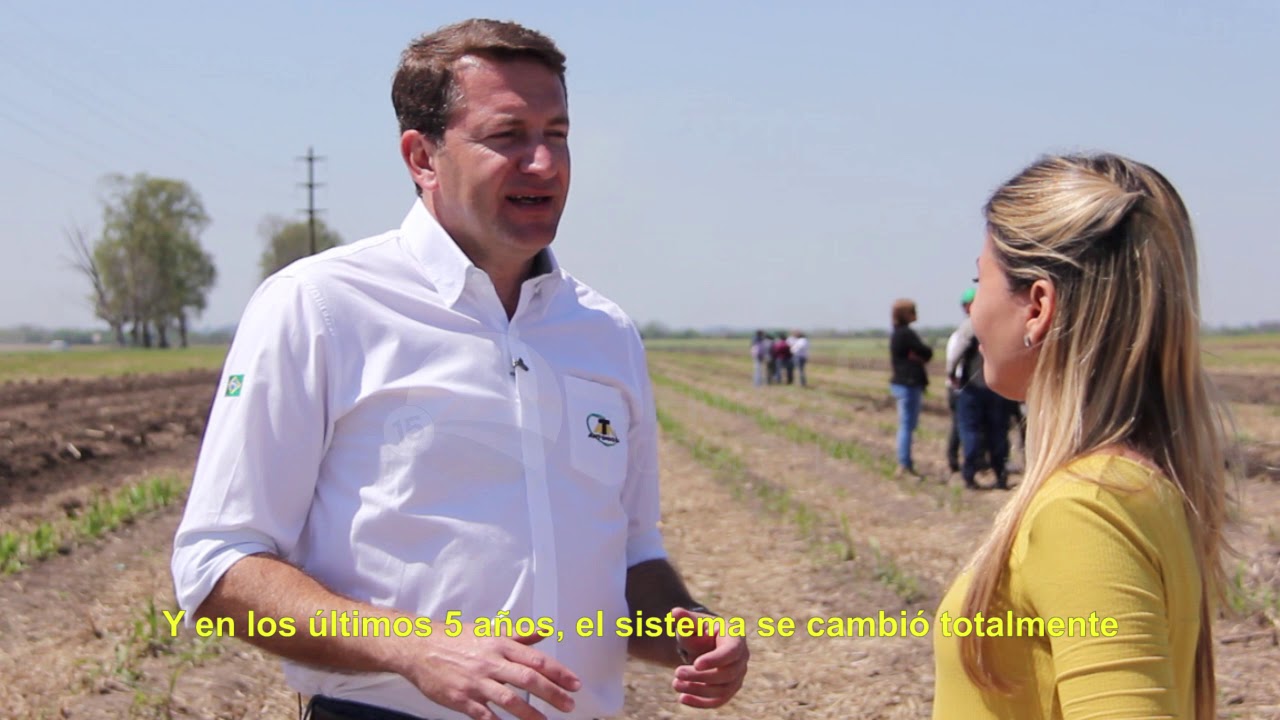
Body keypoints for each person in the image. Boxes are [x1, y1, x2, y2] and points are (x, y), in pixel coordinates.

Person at [171, 19, 748, 720]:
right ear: (422, 156)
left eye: (557, 133)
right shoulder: (319, 305)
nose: (544, 162)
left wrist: (689, 628)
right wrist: (415, 648)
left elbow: (631, 555)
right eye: (508, 136)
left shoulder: (606, 333)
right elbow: (218, 568)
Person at [933, 153, 1229, 719]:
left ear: (1038, 306)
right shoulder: (1140, 485)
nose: (977, 311)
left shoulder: (1085, 508)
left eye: (980, 280)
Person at [946, 288, 1013, 490]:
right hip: (999, 388)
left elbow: (956, 356)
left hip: (973, 389)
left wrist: (951, 375)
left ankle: (969, 475)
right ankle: (1001, 475)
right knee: (998, 433)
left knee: (970, 431)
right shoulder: (1004, 323)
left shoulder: (970, 326)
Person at [888, 299, 932, 477]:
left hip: (902, 383)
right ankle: (904, 464)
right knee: (907, 425)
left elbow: (922, 354)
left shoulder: (897, 333)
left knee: (907, 424)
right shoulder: (906, 334)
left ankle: (904, 462)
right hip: (909, 383)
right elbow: (927, 352)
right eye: (913, 311)